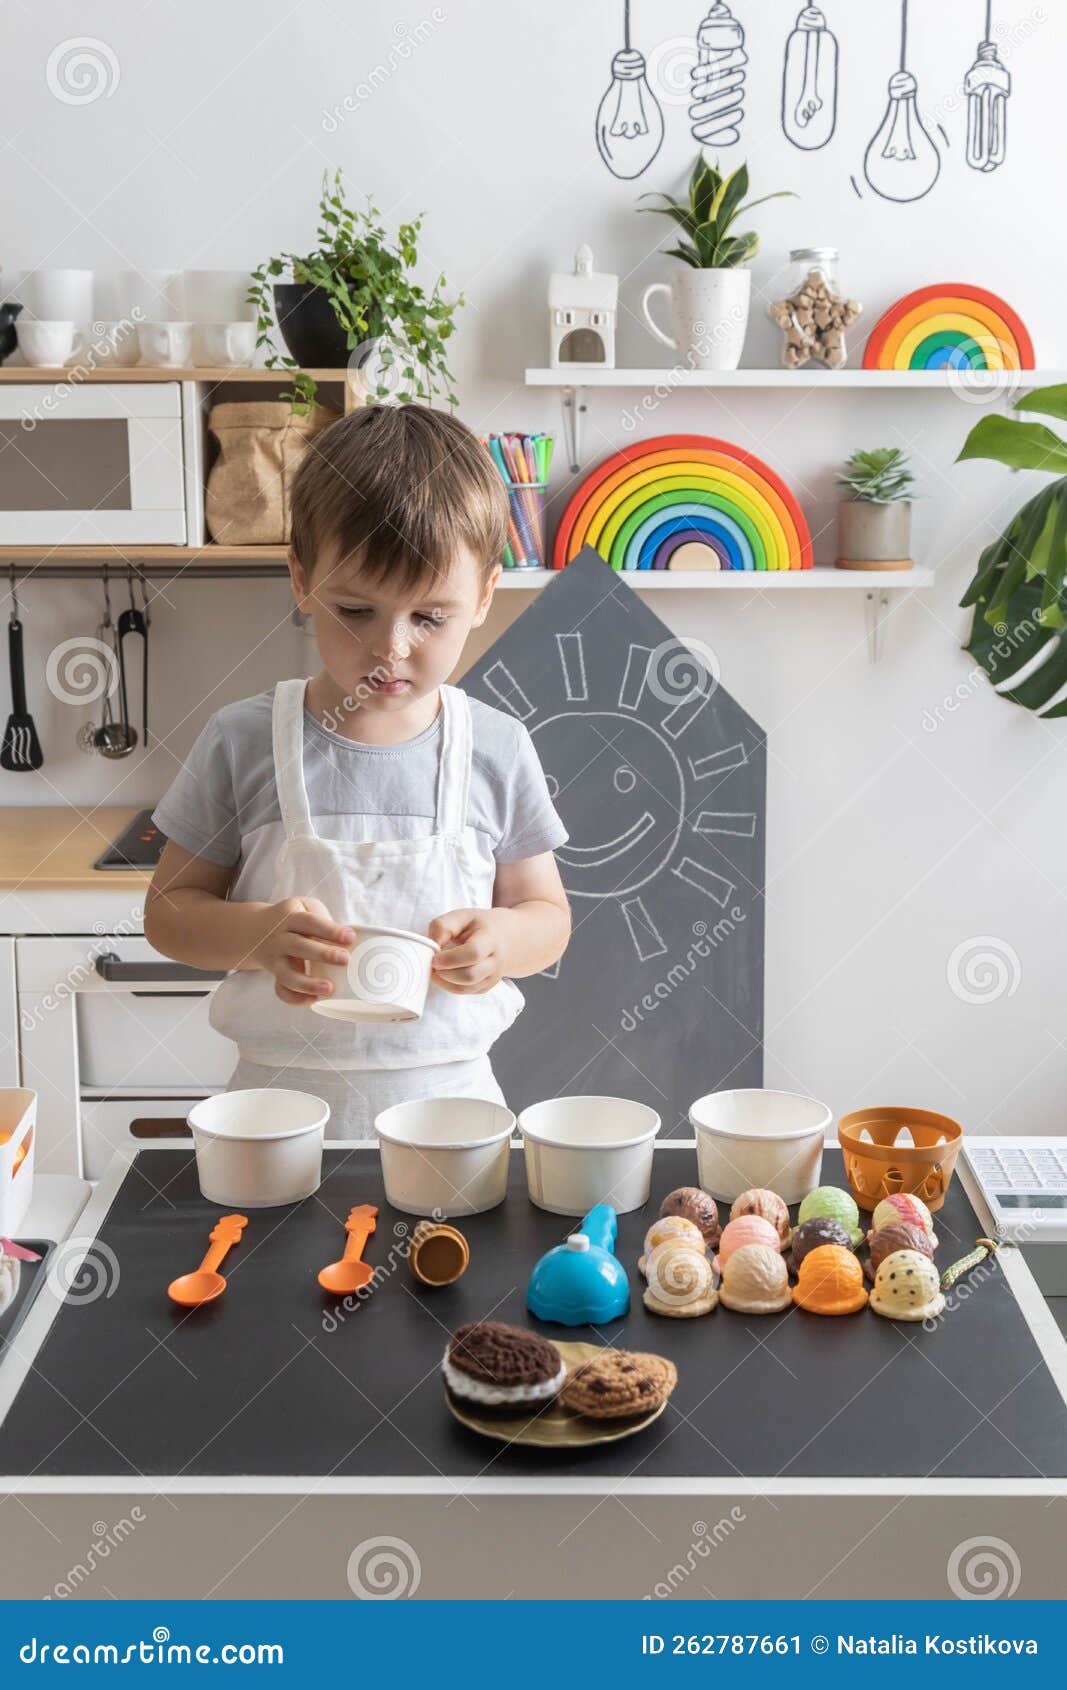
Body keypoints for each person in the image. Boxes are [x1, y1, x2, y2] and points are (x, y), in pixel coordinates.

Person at [145, 403, 570, 1137]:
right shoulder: (243, 740)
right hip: (275, 1117)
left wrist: (503, 940)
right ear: (301, 582)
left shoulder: (496, 747)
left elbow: (548, 917)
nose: (391, 649)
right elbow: (167, 914)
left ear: (484, 598)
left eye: (429, 617)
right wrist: (254, 935)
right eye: (355, 610)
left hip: (454, 1111)